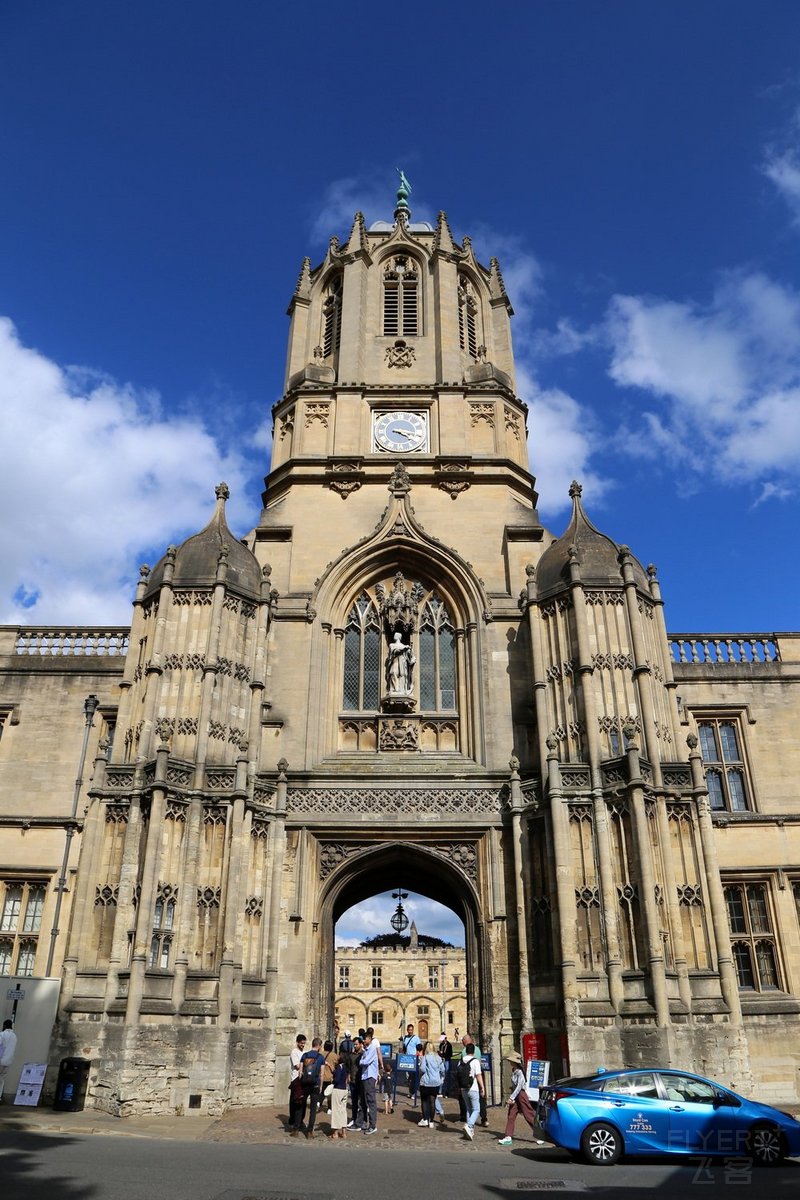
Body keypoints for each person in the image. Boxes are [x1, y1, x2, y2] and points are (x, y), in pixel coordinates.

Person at [497, 1051, 541, 1146]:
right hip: (516, 1094)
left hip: (521, 1095)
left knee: (528, 1114)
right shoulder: (514, 1070)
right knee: (511, 1114)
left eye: (511, 1061)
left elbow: (519, 1086)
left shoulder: (520, 1072)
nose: (510, 1062)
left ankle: (540, 1134)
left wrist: (511, 1097)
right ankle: (508, 1136)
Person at [294, 1036, 325, 1139]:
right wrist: (320, 1086)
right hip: (315, 1084)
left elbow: (300, 1071)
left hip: (304, 1084)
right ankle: (309, 1131)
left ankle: (296, 1130)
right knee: (312, 1109)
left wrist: (300, 1083)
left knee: (300, 1106)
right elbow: (321, 1074)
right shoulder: (320, 1057)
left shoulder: (305, 1055)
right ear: (319, 1046)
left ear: (312, 1044)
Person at [358, 1027, 383, 1135]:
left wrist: (362, 1061)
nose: (363, 1041)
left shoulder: (372, 1048)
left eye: (365, 1039)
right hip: (365, 1077)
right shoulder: (366, 1049)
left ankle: (372, 1125)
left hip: (370, 1077)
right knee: (365, 1100)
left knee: (371, 1101)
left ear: (369, 1038)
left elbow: (365, 1061)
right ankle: (366, 1122)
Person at [458, 1041, 485, 1140]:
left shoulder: (461, 1060)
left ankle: (470, 1131)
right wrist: (482, 1087)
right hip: (473, 1088)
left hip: (463, 1088)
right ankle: (469, 1126)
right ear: (473, 1051)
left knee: (469, 1109)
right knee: (476, 1109)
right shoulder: (475, 1061)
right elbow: (478, 1075)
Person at [418, 1041, 444, 1128]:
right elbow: (442, 1070)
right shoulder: (438, 1058)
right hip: (436, 1082)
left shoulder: (425, 1058)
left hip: (426, 1082)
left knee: (424, 1101)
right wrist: (441, 1078)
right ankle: (431, 1121)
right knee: (432, 1101)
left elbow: (422, 1069)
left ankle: (425, 1119)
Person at [287, 1032, 307, 1132]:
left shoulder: (305, 1052)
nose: (303, 1045)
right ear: (297, 1042)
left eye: (304, 1043)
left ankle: (300, 1120)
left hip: (304, 1079)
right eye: (301, 1043)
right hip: (295, 1078)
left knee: (302, 1101)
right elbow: (297, 1066)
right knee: (294, 1101)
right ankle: (292, 1120)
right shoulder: (294, 1052)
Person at [330, 1053, 349, 1138]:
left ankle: (335, 1133)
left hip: (338, 1089)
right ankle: (344, 1132)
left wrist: (332, 1080)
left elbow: (337, 1079)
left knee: (336, 1111)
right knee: (343, 1111)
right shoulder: (346, 1067)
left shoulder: (339, 1067)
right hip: (345, 1089)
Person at [0, 1020, 17, 1103]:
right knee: (1, 1080)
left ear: (4, 1026)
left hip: (1, 1060)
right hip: (8, 1061)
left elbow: (0, 1047)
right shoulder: (14, 1036)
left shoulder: (2, 1034)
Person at [402, 1022, 421, 1098]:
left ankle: (414, 1093)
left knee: (414, 1077)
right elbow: (404, 1048)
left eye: (411, 1030)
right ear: (407, 1030)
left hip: (413, 1059)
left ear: (413, 1030)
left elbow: (419, 1048)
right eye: (409, 1030)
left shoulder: (416, 1038)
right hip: (407, 1059)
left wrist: (417, 1055)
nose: (410, 1031)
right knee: (409, 1078)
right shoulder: (405, 1038)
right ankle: (410, 1091)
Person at [320, 1039, 338, 1115]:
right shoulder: (334, 1056)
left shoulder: (320, 1054)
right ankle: (329, 1108)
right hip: (330, 1077)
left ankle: (318, 1103)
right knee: (329, 1094)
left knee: (320, 1092)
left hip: (321, 1076)